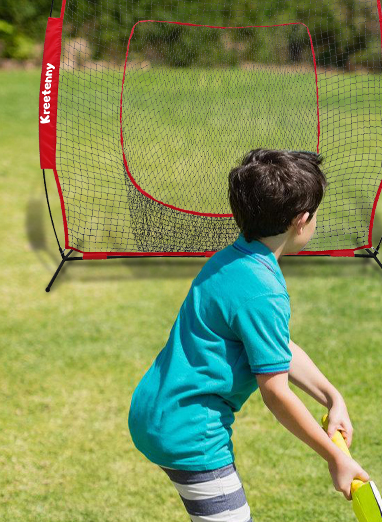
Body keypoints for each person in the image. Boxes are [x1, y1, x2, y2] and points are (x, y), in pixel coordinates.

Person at [128, 149, 368, 521]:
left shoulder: (231, 259)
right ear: (301, 221)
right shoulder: (263, 291)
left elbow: (275, 347)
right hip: (191, 430)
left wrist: (332, 398)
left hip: (155, 409)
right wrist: (335, 457)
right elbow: (276, 392)